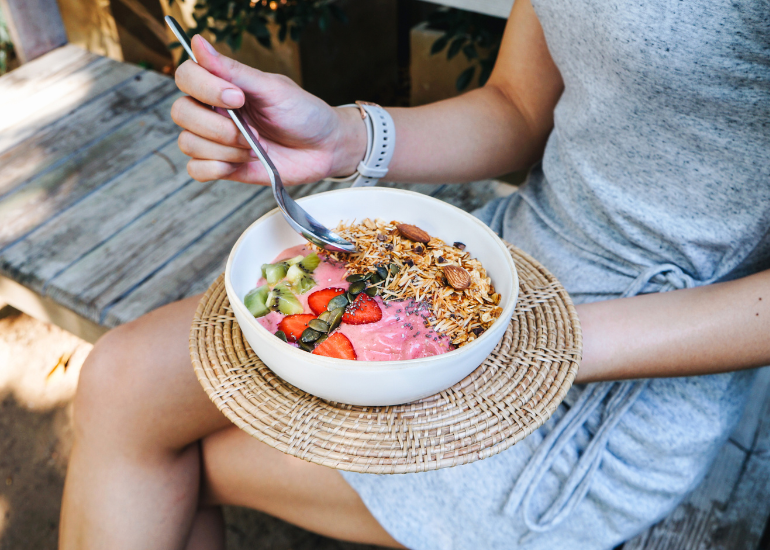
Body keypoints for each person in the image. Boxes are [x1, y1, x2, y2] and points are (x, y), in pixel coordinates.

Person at [58, 0, 770, 548]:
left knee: (162, 466)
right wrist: (341, 139)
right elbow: (519, 105)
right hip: (504, 260)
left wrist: (535, 345)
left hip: (629, 369)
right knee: (121, 379)